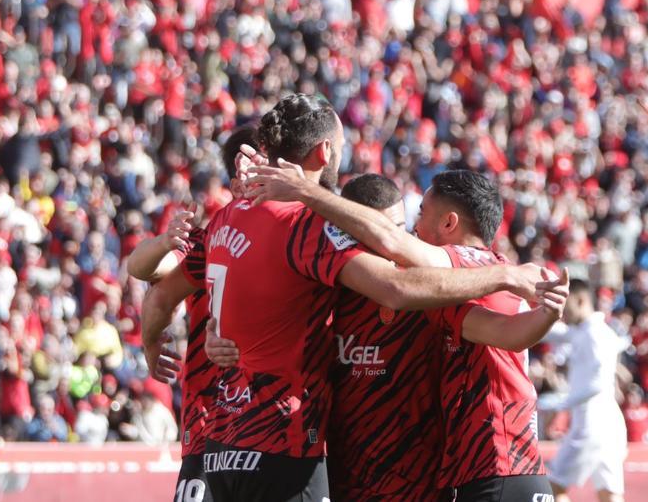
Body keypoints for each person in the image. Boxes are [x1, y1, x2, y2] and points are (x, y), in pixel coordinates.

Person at [141, 94, 558, 501]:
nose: (405, 236)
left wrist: (168, 339)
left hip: (234, 450)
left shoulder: (229, 219)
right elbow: (395, 284)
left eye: (411, 223)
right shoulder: (320, 243)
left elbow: (158, 292)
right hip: (287, 454)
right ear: (325, 151)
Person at [242, 165, 565, 500]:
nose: (413, 228)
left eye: (419, 215)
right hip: (481, 473)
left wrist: (304, 190)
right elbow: (509, 333)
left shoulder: (473, 266)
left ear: (449, 223)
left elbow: (393, 247)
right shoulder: (448, 295)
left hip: (496, 468)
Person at [131, 123, 260, 502]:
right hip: (215, 420)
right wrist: (151, 340)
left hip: (268, 428)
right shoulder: (208, 243)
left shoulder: (297, 238)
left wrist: (152, 340)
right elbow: (145, 272)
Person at [542, 279, 627, 502]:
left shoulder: (597, 334)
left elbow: (599, 382)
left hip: (592, 424)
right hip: (605, 423)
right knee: (609, 494)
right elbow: (551, 332)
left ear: (580, 300)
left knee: (554, 486)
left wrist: (561, 405)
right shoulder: (584, 331)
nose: (563, 312)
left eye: (566, 304)